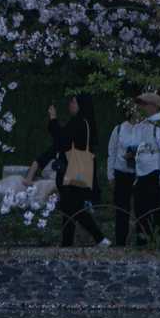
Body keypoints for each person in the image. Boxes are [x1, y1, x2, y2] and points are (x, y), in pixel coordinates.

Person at [28, 93, 109, 247]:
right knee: (69, 207)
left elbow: (61, 140)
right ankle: (68, 243)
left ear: (80, 105)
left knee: (73, 207)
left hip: (72, 172)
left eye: (73, 102)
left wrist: (53, 119)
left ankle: (99, 238)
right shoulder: (84, 123)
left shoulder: (79, 123)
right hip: (76, 171)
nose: (70, 105)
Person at [108, 90, 160, 247]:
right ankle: (142, 242)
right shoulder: (141, 126)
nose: (142, 108)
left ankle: (158, 242)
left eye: (144, 104)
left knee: (156, 209)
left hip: (155, 172)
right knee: (141, 210)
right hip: (141, 173)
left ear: (153, 106)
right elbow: (136, 145)